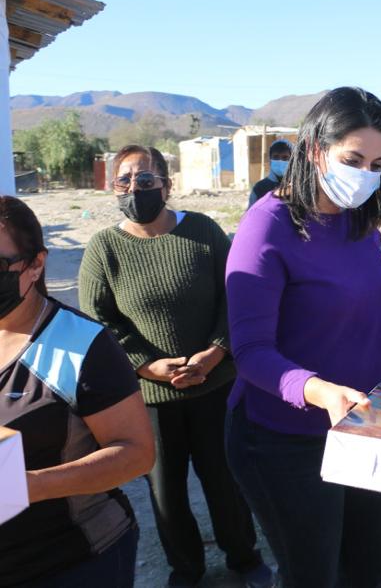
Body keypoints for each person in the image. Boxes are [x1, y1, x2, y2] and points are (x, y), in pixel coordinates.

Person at [223, 87, 381, 588]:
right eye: (353, 160)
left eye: (377, 164)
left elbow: (368, 309)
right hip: (284, 438)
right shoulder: (267, 227)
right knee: (312, 575)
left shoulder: (357, 222)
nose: (366, 174)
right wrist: (320, 392)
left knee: (366, 566)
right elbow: (251, 352)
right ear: (314, 149)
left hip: (360, 424)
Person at [78, 145, 270, 588]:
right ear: (113, 188)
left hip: (215, 384)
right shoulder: (104, 248)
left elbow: (235, 295)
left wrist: (215, 352)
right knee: (166, 490)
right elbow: (98, 321)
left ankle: (244, 558)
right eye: (124, 180)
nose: (134, 188)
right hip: (148, 399)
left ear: (167, 185)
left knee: (224, 479)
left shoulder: (203, 231)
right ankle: (186, 569)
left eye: (145, 179)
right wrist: (146, 365)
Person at [0, 196, 154, 587]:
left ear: (36, 264)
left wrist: (33, 485)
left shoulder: (82, 344)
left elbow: (137, 453)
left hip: (69, 562)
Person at [248, 138, 292, 207]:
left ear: (292, 160)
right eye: (276, 157)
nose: (280, 161)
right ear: (270, 159)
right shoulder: (259, 188)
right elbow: (252, 212)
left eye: (285, 157)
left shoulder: (296, 187)